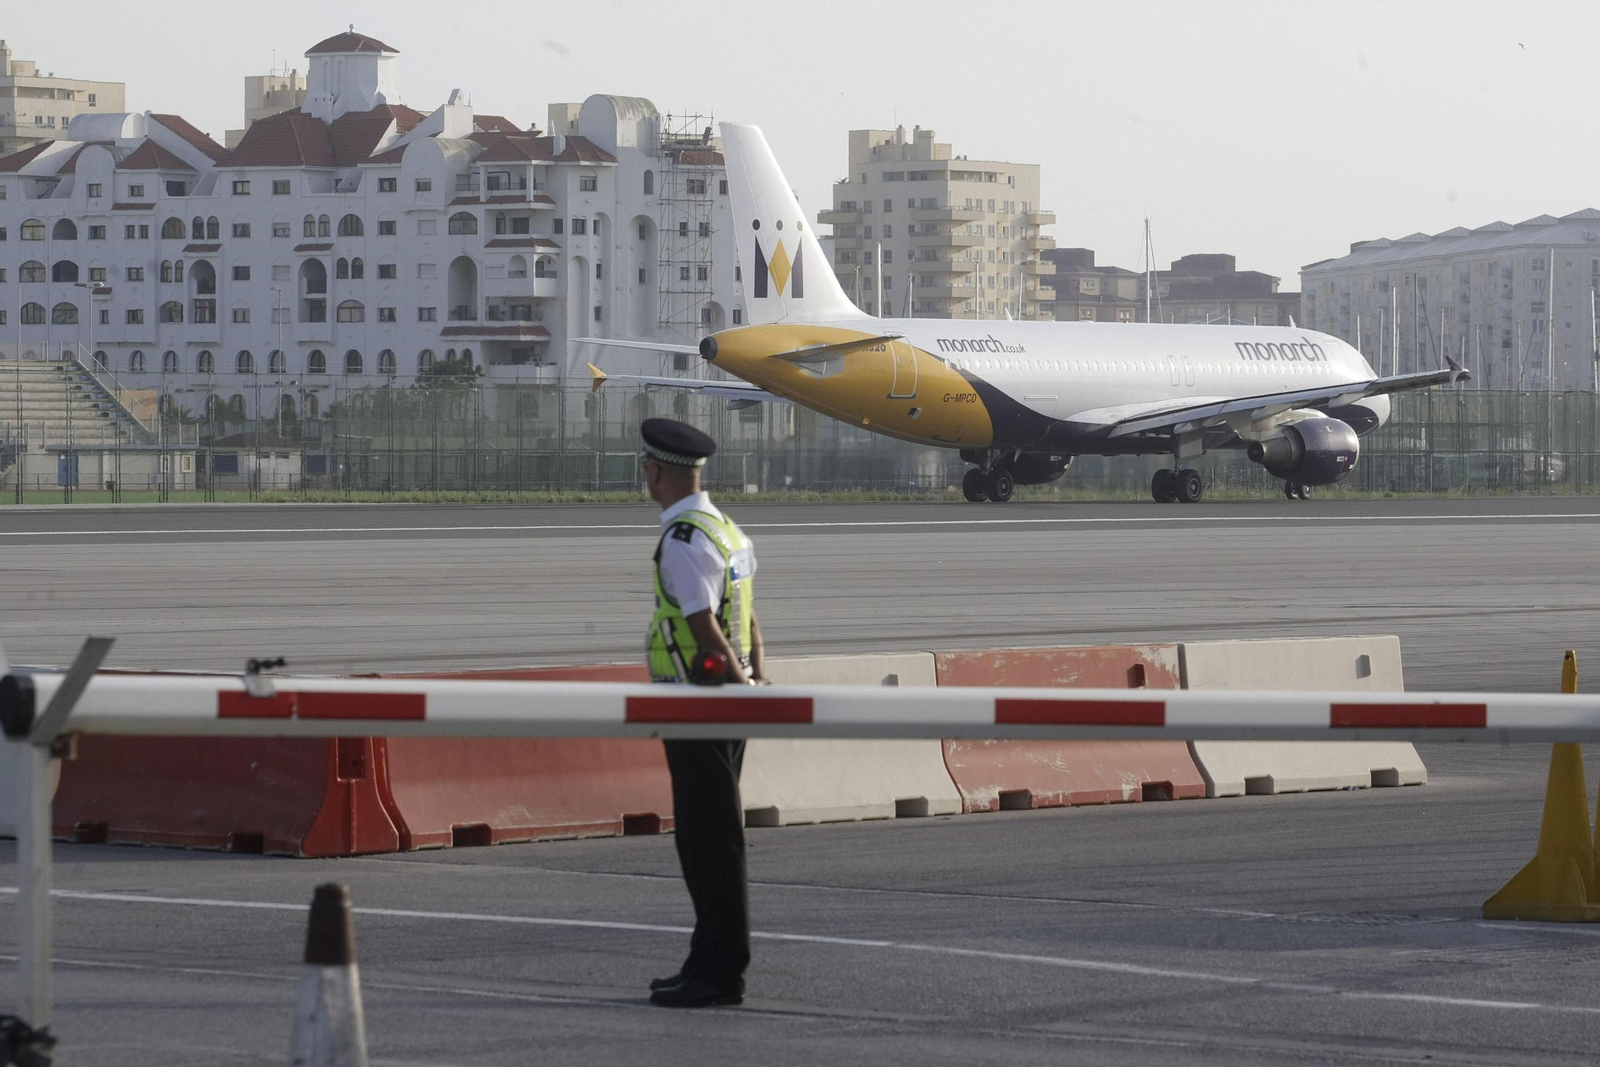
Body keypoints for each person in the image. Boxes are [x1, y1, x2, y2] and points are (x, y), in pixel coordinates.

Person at [639, 417, 767, 1009]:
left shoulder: (685, 539)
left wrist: (741, 687)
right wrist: (757, 678)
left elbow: (702, 623)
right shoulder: (726, 530)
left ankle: (719, 974)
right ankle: (704, 960)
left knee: (709, 842)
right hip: (722, 700)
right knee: (708, 839)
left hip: (699, 701)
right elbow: (750, 618)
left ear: (656, 472)